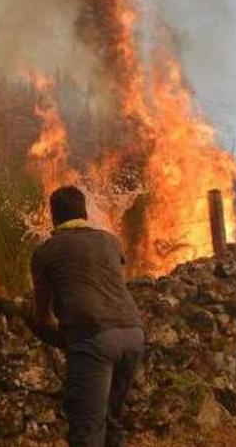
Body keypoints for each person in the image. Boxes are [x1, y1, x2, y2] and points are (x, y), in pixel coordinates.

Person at [30, 186, 145, 447]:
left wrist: (64, 339)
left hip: (96, 340)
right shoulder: (110, 241)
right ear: (84, 212)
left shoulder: (46, 251)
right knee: (110, 420)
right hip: (134, 334)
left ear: (53, 216)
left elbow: (42, 316)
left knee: (87, 431)